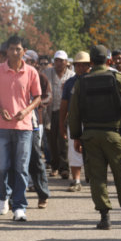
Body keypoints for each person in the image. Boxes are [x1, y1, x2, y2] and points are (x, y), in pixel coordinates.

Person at [68, 45, 121, 230]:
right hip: (115, 134)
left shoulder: (81, 82)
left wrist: (76, 137)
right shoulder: (119, 79)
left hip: (90, 136)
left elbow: (74, 113)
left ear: (91, 62)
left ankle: (105, 218)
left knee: (97, 177)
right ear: (109, 61)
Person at [0, 35, 41, 222]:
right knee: (1, 167)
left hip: (24, 127)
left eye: (18, 49)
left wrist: (26, 111)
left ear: (24, 51)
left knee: (21, 168)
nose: (15, 52)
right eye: (11, 49)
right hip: (1, 126)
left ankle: (20, 206)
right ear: (6, 51)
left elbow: (38, 97)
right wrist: (0, 110)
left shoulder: (31, 72)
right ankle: (2, 197)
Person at [23, 49, 52, 209]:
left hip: (34, 122)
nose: (24, 63)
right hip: (15, 122)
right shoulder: (15, 74)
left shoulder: (39, 76)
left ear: (34, 63)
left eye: (28, 61)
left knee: (34, 157)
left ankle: (43, 194)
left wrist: (35, 103)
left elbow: (47, 96)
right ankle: (12, 198)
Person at [60, 51, 90, 192]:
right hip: (75, 121)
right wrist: (61, 123)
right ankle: (76, 181)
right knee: (74, 151)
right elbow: (64, 105)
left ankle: (95, 178)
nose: (81, 68)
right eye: (78, 65)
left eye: (85, 65)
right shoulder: (70, 83)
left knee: (93, 150)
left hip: (92, 121)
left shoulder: (96, 80)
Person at [43, 50, 74, 179]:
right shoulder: (46, 73)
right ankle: (55, 166)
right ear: (53, 62)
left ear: (66, 62)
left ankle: (64, 167)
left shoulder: (71, 75)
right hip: (51, 112)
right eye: (57, 60)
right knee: (51, 141)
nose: (59, 63)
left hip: (67, 112)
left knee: (64, 141)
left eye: (62, 61)